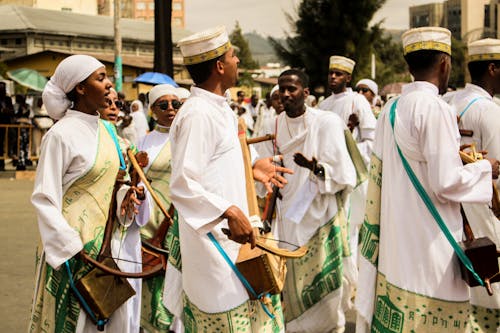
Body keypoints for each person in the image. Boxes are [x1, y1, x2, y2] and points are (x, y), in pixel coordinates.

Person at [355, 27, 499, 333]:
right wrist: (485, 167)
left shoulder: (390, 108)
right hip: (429, 245)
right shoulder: (435, 109)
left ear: (409, 66)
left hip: (397, 241)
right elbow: (446, 182)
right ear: (445, 64)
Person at [164, 25, 291, 332]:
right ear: (220, 66)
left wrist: (251, 170)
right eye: (234, 55)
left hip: (238, 247)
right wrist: (230, 211)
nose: (238, 62)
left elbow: (212, 171)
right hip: (216, 250)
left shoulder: (219, 110)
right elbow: (183, 184)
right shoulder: (198, 114)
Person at [29, 54, 145, 333]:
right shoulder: (61, 135)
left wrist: (125, 198)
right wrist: (72, 246)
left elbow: (110, 184)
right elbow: (44, 197)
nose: (109, 85)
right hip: (74, 250)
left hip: (105, 249)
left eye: (107, 77)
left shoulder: (107, 130)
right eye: (100, 77)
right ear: (80, 88)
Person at [272, 69, 362, 332]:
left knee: (325, 279)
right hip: (288, 213)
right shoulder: (274, 124)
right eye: (282, 89)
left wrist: (317, 169)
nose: (286, 94)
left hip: (321, 213)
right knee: (293, 281)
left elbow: (346, 174)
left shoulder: (327, 122)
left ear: (307, 93)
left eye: (292, 89)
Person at [446, 38, 500, 332]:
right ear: (492, 68)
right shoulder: (489, 110)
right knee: (491, 290)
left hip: (455, 209)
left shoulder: (449, 102)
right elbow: (497, 172)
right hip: (487, 212)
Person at [136, 84, 181, 333]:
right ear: (153, 110)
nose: (171, 109)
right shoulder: (144, 141)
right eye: (163, 105)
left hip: (181, 221)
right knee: (153, 277)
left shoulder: (188, 137)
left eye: (176, 104)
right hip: (150, 221)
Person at [318, 55, 376, 165]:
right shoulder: (323, 105)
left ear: (348, 78)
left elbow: (372, 140)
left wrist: (344, 152)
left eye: (338, 74)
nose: (333, 76)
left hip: (352, 165)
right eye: (330, 73)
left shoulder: (357, 100)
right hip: (328, 166)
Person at [0, 81, 14, 170]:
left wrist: (7, 111)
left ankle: (3, 164)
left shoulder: (8, 99)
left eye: (4, 88)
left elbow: (12, 111)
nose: (3, 90)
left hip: (7, 124)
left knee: (6, 144)